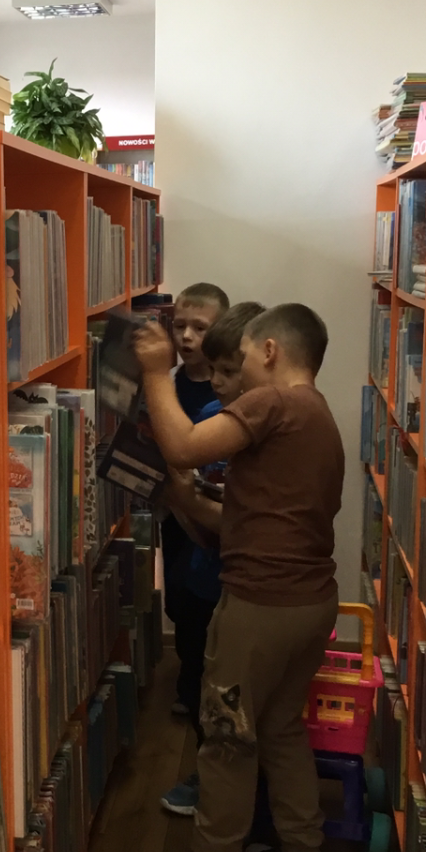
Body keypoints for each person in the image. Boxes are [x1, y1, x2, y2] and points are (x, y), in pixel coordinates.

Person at [130, 303, 346, 852]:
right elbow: (253, 521)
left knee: (227, 735)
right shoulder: (318, 414)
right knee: (280, 726)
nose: (240, 371)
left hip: (259, 606)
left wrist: (156, 370)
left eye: (245, 357)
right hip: (310, 602)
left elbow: (184, 445)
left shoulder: (273, 402)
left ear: (270, 351)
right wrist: (186, 501)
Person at [159, 300, 263, 818]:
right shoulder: (207, 421)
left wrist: (182, 496)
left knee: (236, 695)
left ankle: (228, 794)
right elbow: (193, 511)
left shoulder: (262, 430)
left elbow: (237, 520)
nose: (218, 381)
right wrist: (179, 501)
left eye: (229, 371)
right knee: (206, 680)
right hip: (206, 574)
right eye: (215, 371)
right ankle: (212, 776)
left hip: (245, 586)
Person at [159, 283, 228, 722]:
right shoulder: (167, 384)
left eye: (199, 328)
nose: (186, 337)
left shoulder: (228, 390)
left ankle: (202, 685)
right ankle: (189, 678)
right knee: (179, 597)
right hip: (175, 514)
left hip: (213, 514)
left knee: (207, 599)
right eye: (179, 325)